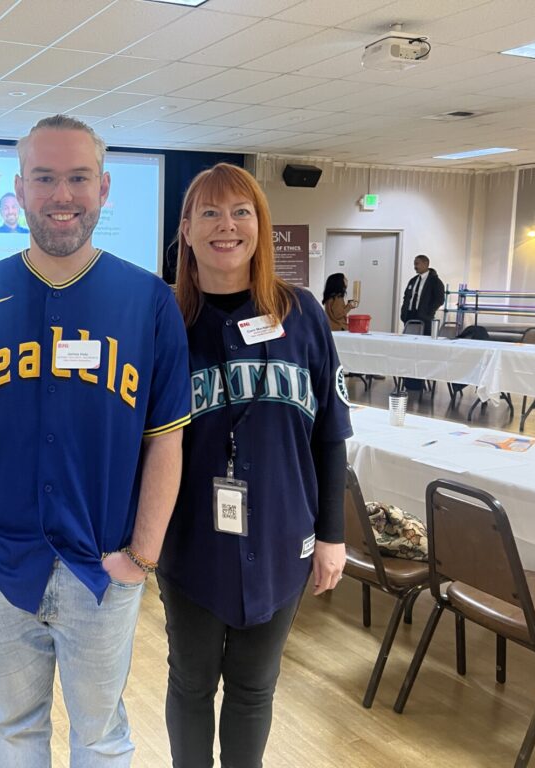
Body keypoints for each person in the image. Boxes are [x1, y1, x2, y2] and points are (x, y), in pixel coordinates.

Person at [0, 114, 190, 767]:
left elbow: (166, 439)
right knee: (14, 728)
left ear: (104, 188)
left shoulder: (149, 302)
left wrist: (143, 556)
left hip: (101, 567)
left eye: (78, 177)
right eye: (44, 178)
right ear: (18, 189)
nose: (62, 195)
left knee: (100, 735)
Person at [158, 163, 353, 768]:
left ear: (261, 227)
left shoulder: (303, 316)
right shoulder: (163, 322)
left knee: (254, 686)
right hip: (189, 542)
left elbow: (330, 436)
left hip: (281, 540)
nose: (227, 226)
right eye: (210, 213)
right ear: (186, 230)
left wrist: (333, 536)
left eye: (242, 212)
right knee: (192, 683)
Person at [399, 254, 445, 334]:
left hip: (424, 317)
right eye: (414, 264)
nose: (415, 267)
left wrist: (428, 312)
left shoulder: (435, 281)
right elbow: (406, 297)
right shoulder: (413, 280)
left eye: (417, 264)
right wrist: (403, 312)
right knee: (408, 339)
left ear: (425, 264)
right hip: (409, 316)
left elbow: (440, 299)